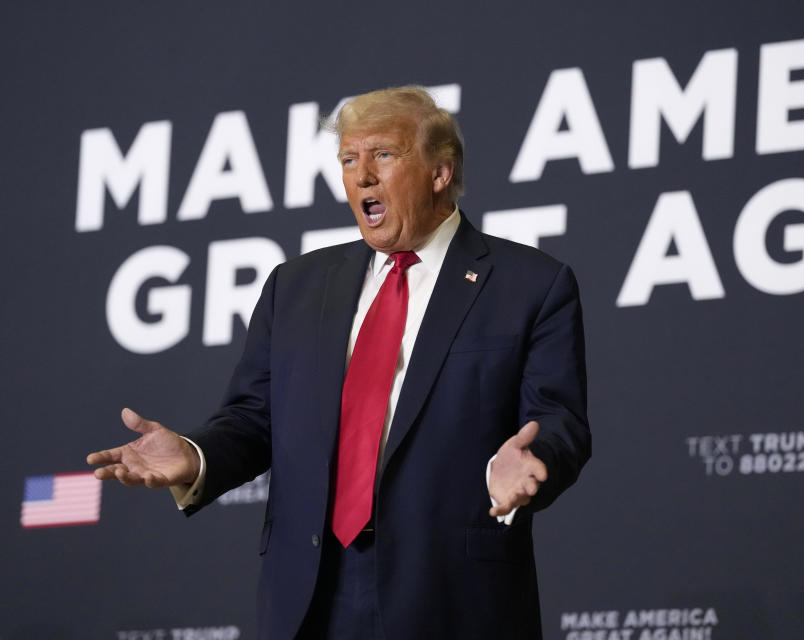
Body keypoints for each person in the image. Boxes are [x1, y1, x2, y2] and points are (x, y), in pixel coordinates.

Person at [87, 86, 590, 639]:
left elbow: (559, 420)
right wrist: (196, 452)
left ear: (440, 172)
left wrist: (527, 463)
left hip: (451, 591)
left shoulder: (529, 285)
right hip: (310, 589)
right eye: (349, 159)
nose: (362, 176)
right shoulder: (297, 286)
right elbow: (255, 419)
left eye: (383, 155)